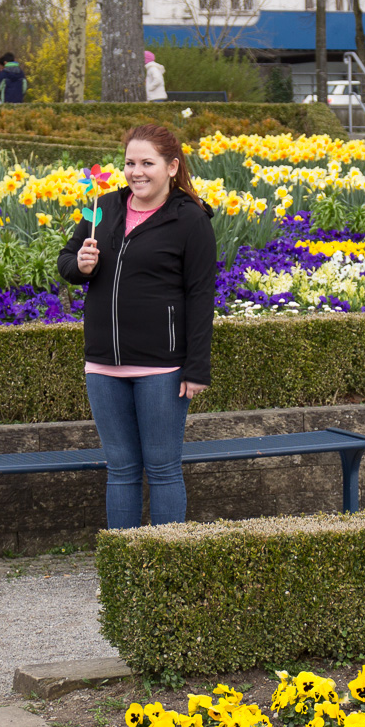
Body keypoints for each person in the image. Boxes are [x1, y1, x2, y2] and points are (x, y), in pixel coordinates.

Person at [58, 123, 216, 529]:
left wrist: (197, 368)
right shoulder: (103, 207)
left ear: (172, 166)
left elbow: (201, 296)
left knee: (162, 469)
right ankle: (123, 561)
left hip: (162, 368)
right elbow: (67, 261)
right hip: (103, 365)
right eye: (130, 163)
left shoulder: (190, 219)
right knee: (121, 470)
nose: (136, 172)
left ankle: (165, 560)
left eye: (148, 163)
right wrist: (80, 265)